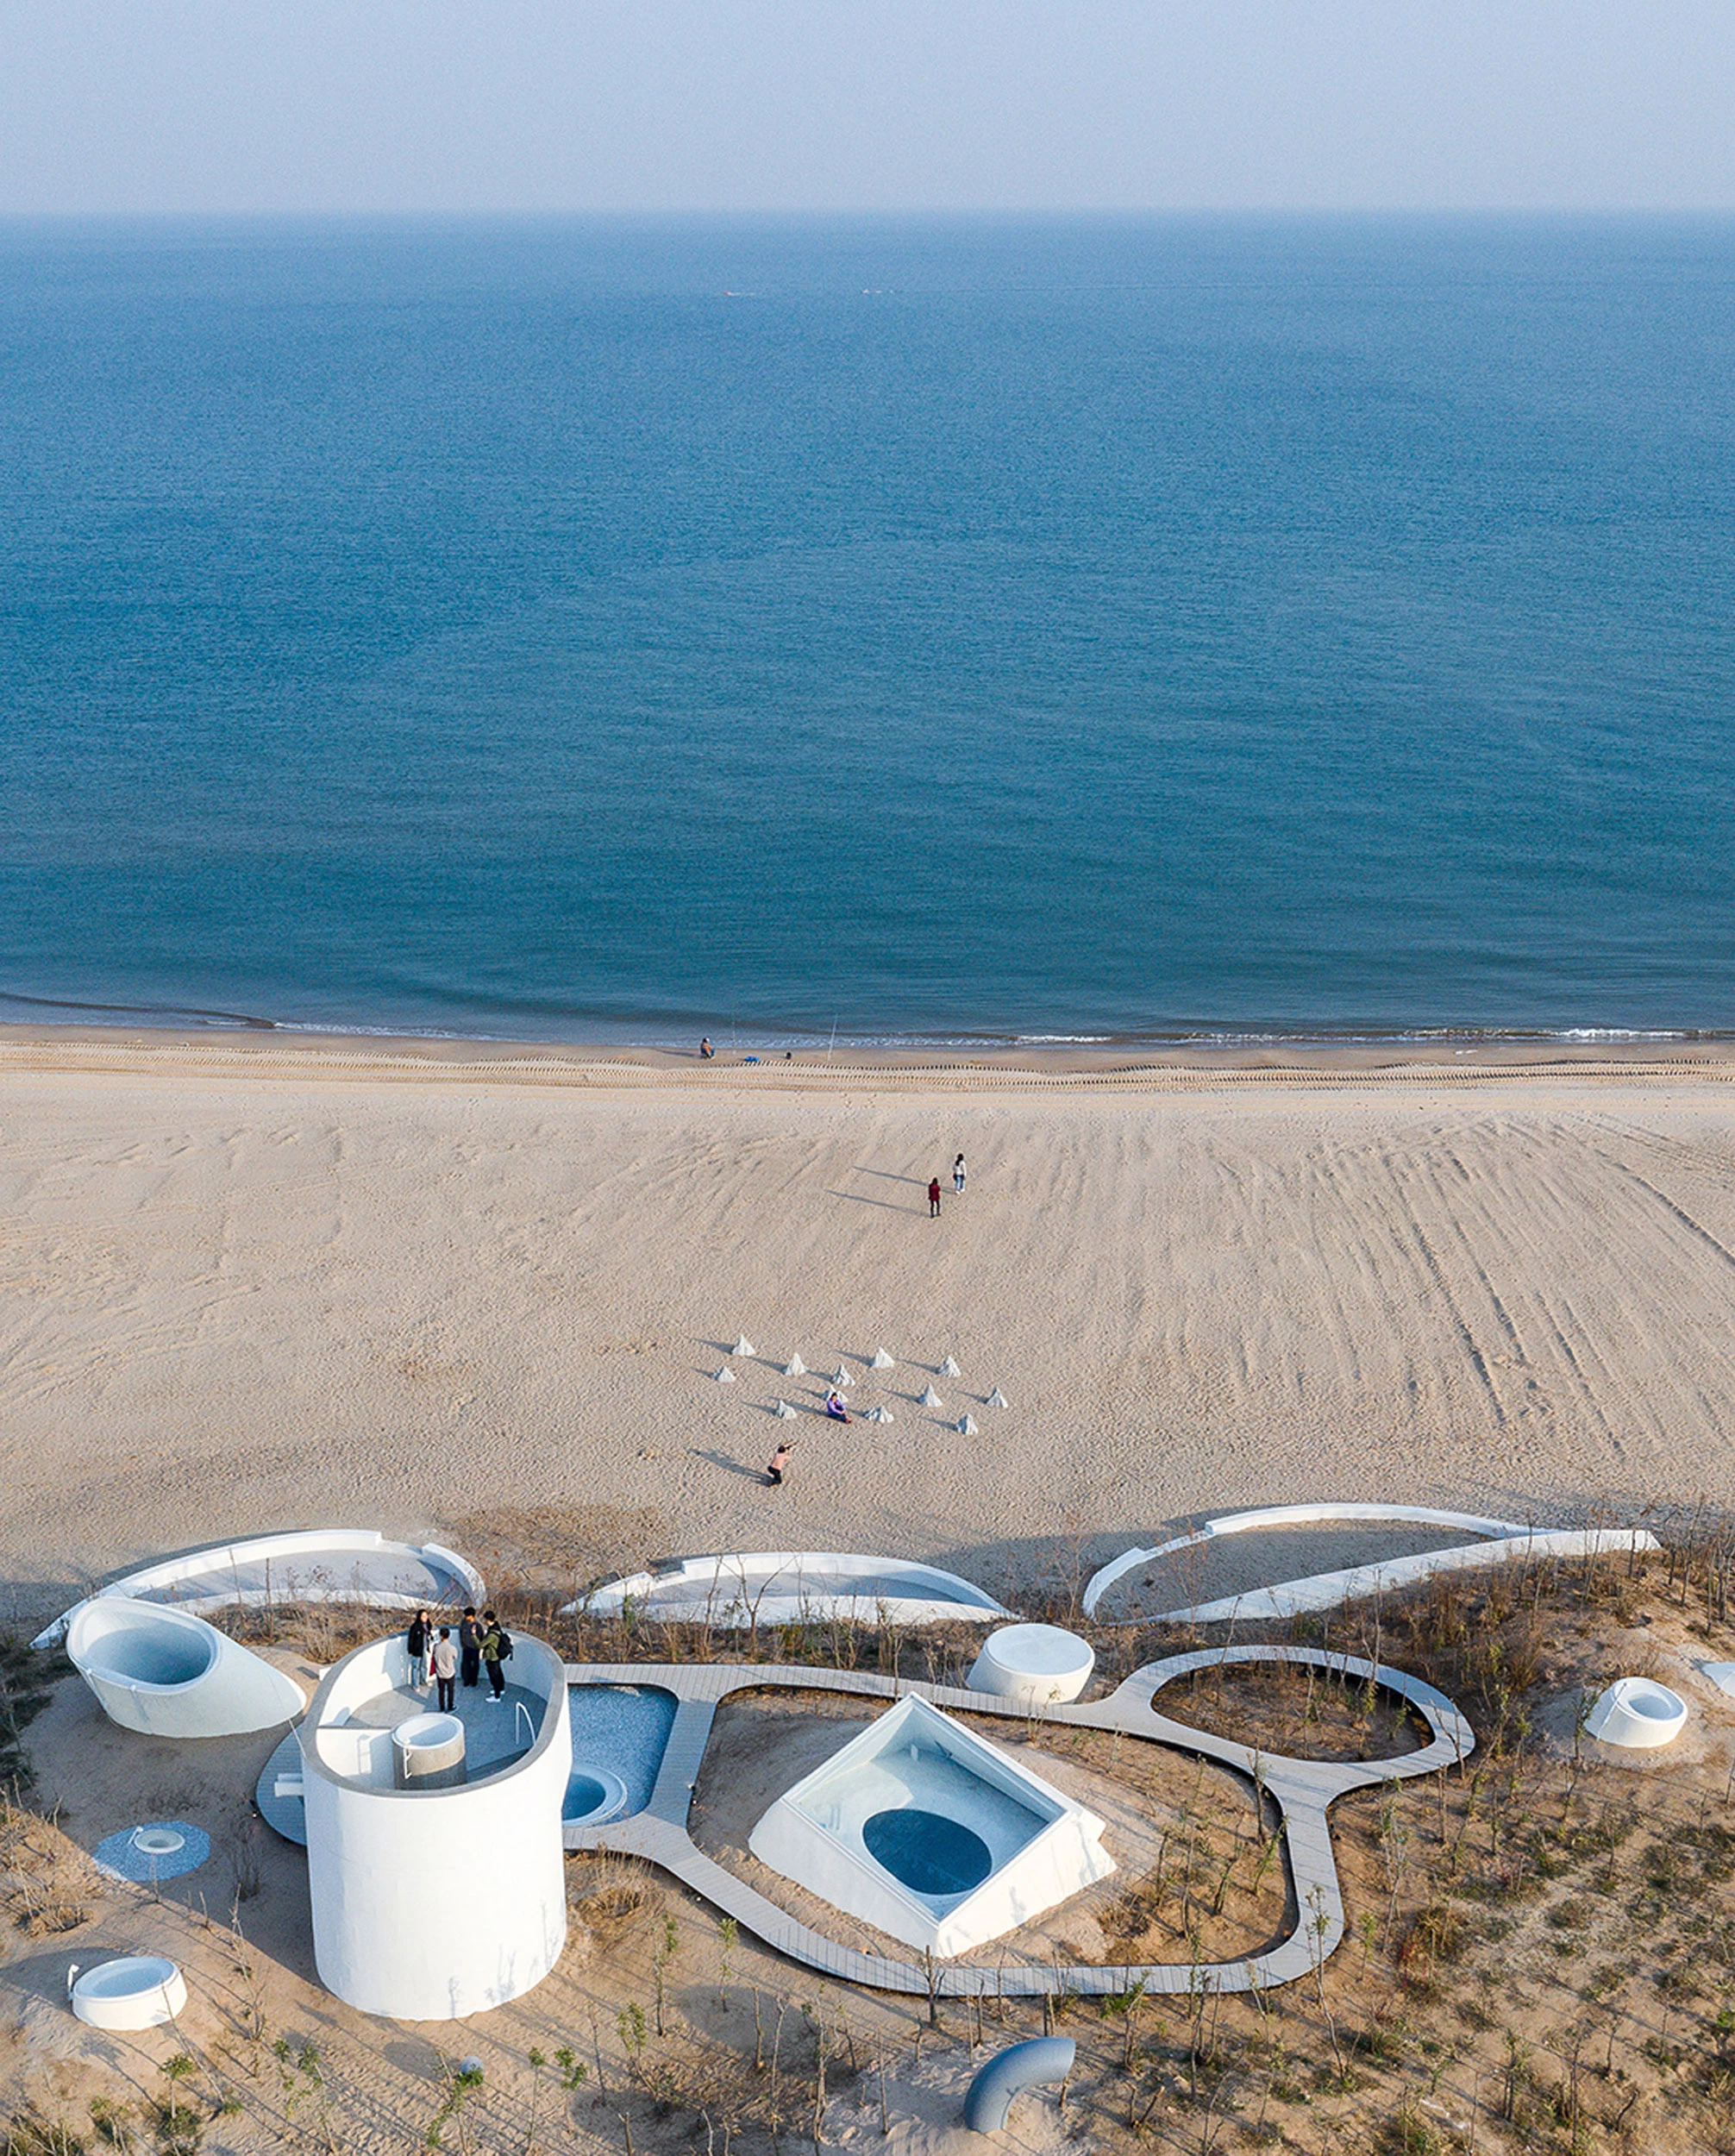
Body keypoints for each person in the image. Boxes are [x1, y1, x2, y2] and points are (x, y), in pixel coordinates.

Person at [479, 1609, 512, 1702]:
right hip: (497, 1656)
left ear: (488, 1620)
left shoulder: (492, 1633)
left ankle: (496, 1696)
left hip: (492, 1657)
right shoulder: (497, 1628)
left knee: (494, 1675)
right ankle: (500, 1689)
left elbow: (481, 1645)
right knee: (498, 1673)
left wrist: (474, 1636)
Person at [431, 1626, 457, 1712]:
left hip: (440, 1673)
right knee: (450, 1690)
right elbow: (455, 1656)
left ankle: (442, 1707)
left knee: (441, 1691)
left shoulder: (436, 1647)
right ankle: (450, 1705)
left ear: (440, 1636)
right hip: (450, 1672)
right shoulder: (452, 1648)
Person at [406, 1608, 431, 1691]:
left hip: (424, 1648)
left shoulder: (427, 1625)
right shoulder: (415, 1626)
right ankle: (415, 1684)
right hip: (416, 1650)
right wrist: (410, 1650)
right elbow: (411, 1639)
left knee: (424, 1665)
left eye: (426, 1616)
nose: (425, 1617)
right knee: (416, 1667)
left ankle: (423, 1680)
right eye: (423, 1616)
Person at [459, 1606, 483, 1689]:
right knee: (466, 1664)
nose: (466, 1617)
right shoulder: (463, 1623)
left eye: (467, 1616)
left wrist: (478, 1647)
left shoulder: (478, 1625)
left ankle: (474, 1681)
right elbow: (461, 1633)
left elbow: (480, 1638)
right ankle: (466, 1680)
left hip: (475, 1649)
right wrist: (462, 1644)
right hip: (466, 1648)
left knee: (475, 1665)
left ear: (472, 1616)